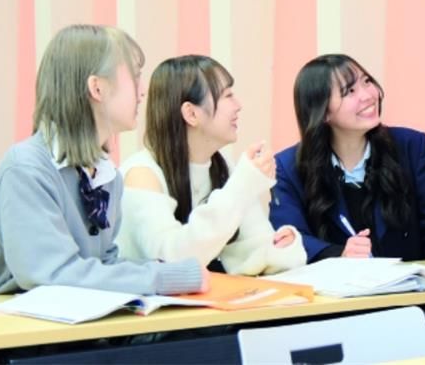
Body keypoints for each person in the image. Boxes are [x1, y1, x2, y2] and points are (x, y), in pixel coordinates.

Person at [0, 25, 206, 295]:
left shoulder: (105, 175)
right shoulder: (26, 169)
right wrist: (166, 278)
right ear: (97, 88)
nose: (142, 91)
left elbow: (102, 266)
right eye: (135, 76)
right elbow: (51, 275)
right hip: (12, 319)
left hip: (73, 318)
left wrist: (169, 274)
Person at [269, 54, 425, 271]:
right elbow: (289, 240)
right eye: (349, 91)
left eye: (367, 81)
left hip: (410, 288)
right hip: (336, 291)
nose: (368, 95)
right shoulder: (287, 167)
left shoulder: (411, 146)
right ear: (322, 113)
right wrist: (338, 253)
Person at [117, 55, 305, 275]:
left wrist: (280, 246)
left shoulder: (223, 167)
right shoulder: (141, 175)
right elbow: (172, 259)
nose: (238, 106)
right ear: (191, 113)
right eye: (227, 96)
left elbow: (254, 247)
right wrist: (243, 186)